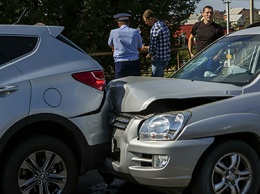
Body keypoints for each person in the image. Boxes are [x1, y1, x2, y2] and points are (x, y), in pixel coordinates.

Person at [108, 13, 143, 79]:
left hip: (120, 62)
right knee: (136, 84)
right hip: (134, 61)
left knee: (120, 84)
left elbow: (110, 44)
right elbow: (139, 46)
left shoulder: (113, 32)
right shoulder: (135, 32)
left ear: (119, 23)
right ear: (128, 23)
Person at [142, 9, 171, 77]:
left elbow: (153, 45)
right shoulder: (163, 24)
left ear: (151, 19)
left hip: (158, 58)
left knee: (156, 81)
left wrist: (149, 54)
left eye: (146, 21)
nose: (146, 23)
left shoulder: (155, 28)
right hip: (166, 57)